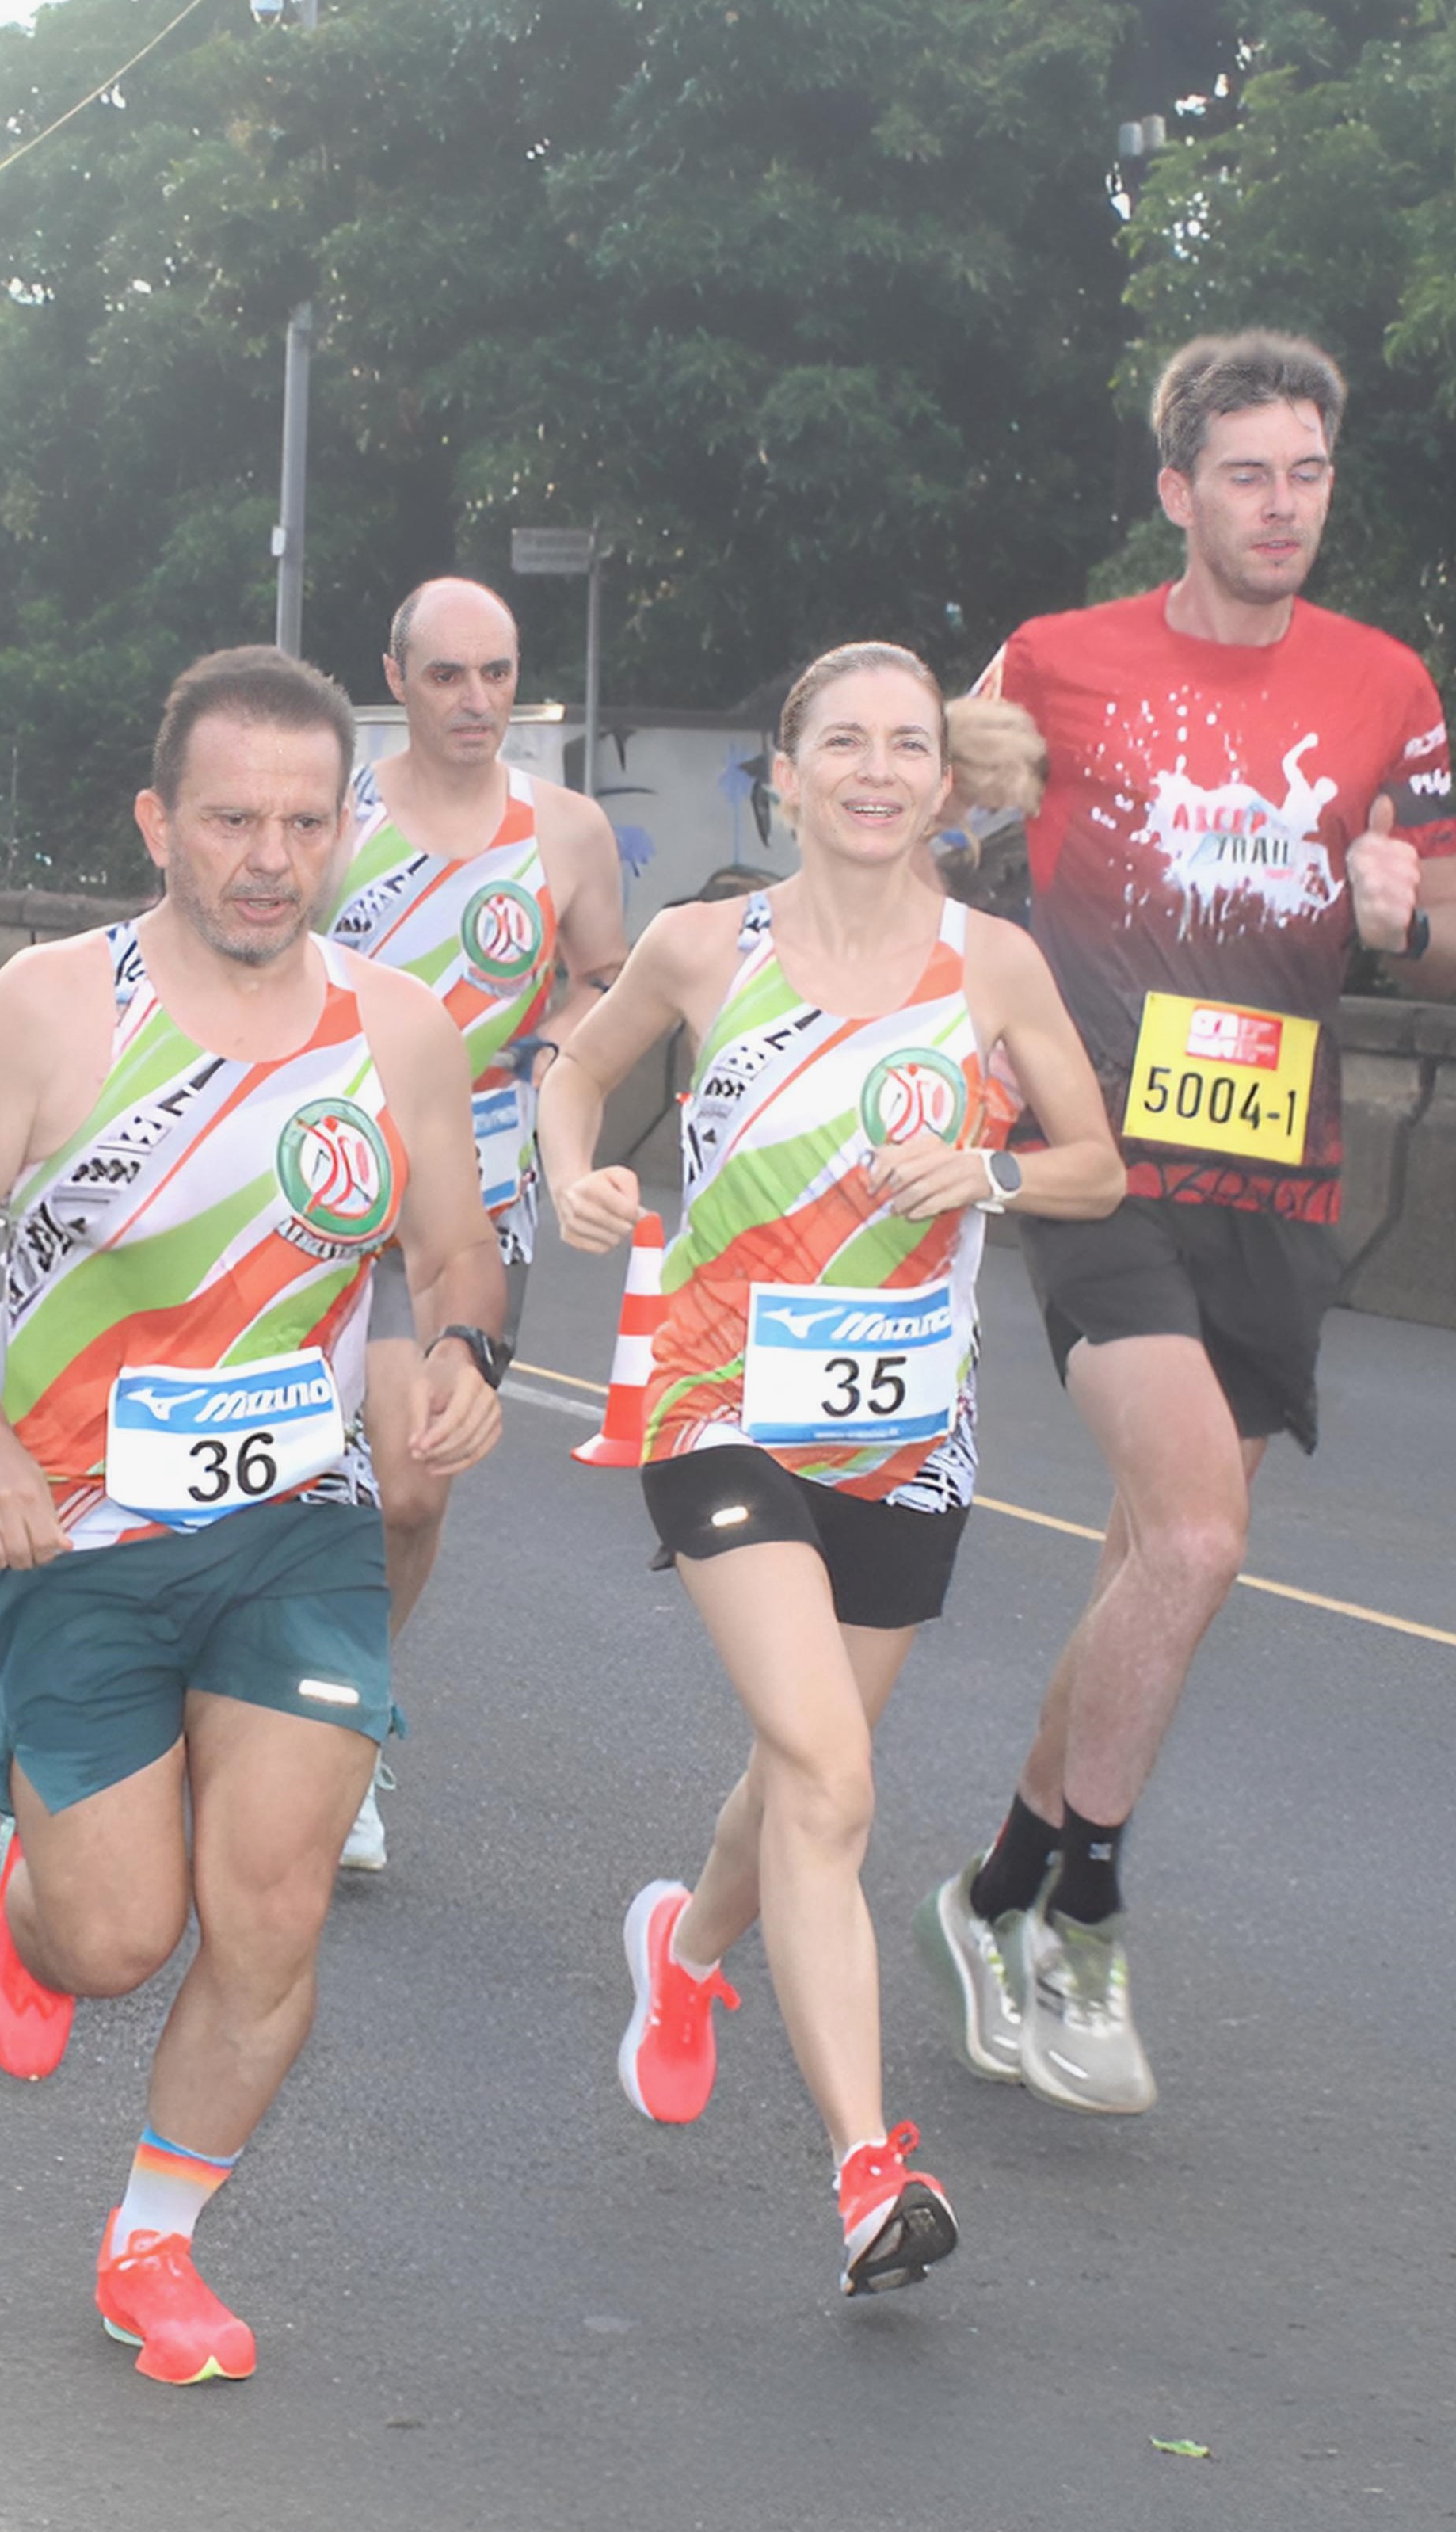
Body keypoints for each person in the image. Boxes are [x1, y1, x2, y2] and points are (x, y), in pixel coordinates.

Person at [0, 645, 505, 2385]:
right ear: (158, 819)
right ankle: (32, 1909)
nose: (265, 855)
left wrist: (463, 1342)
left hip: (297, 1521)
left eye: (302, 821)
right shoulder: (55, 1010)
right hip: (78, 1530)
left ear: (341, 833)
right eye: (229, 816)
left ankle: (156, 2239)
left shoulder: (396, 1029)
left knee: (275, 1901)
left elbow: (455, 1239)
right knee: (118, 1934)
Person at [920, 331, 1456, 2118]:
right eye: (1242, 473)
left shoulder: (1385, 684)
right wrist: (957, 797)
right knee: (1193, 1533)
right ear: (1176, 490)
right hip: (1089, 1156)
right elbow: (904, 836)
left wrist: (1408, 916)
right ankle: (1084, 1905)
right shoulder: (1057, 658)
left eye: (1304, 472)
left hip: (1272, 1172)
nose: (1278, 504)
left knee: (1145, 1567)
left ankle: (989, 1887)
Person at [540, 642, 1123, 2294]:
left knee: (806, 1775)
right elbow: (571, 1071)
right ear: (781, 773)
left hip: (901, 1427)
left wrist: (984, 1168)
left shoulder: (990, 965)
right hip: (714, 1400)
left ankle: (687, 1940)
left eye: (906, 746)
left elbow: (1092, 1164)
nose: (874, 770)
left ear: (943, 781)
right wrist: (576, 1173)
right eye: (839, 742)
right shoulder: (698, 943)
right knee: (835, 1779)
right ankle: (869, 2167)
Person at [318, 574, 630, 1871]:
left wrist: (556, 1041)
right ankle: (262, 1706)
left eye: (497, 673)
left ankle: (350, 1731)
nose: (475, 700)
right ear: (394, 678)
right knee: (279, 1472)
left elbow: (603, 975)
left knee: (408, 1491)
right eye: (446, 674)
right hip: (318, 1200)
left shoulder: (563, 830)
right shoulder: (330, 824)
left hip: (478, 1203)